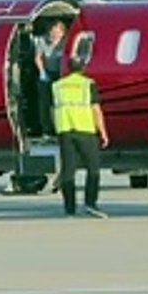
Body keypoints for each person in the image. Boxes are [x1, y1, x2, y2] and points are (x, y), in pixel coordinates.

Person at [51, 57, 110, 218]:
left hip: (65, 131)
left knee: (68, 171)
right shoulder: (88, 84)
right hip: (85, 130)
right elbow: (96, 110)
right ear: (83, 68)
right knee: (93, 169)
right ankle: (90, 203)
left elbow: (52, 109)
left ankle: (69, 208)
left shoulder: (57, 86)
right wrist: (103, 132)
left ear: (69, 68)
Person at [33, 20, 66, 134]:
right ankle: (46, 129)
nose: (53, 34)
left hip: (61, 73)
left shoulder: (66, 42)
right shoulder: (42, 41)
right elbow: (37, 58)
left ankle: (60, 128)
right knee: (45, 102)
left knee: (59, 102)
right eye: (51, 31)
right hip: (47, 72)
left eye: (56, 32)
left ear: (62, 32)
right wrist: (42, 72)